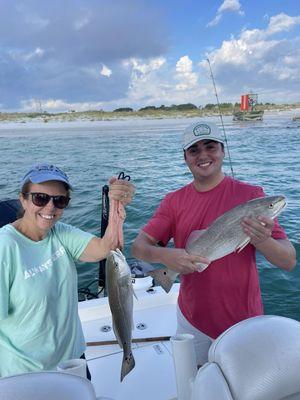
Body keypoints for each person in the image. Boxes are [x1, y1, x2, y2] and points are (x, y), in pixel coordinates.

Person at [131, 121, 296, 365]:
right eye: (194, 150)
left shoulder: (251, 196)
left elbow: (288, 261)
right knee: (196, 381)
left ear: (222, 151)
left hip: (243, 320)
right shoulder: (173, 201)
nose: (203, 155)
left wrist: (263, 239)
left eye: (210, 147)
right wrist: (168, 257)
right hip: (191, 317)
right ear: (185, 157)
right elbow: (138, 247)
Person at [0, 163, 135, 378]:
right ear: (23, 199)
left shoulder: (59, 232)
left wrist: (115, 207)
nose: (50, 207)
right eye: (40, 198)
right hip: (25, 373)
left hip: (72, 361)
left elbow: (105, 249)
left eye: (60, 200)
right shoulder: (5, 248)